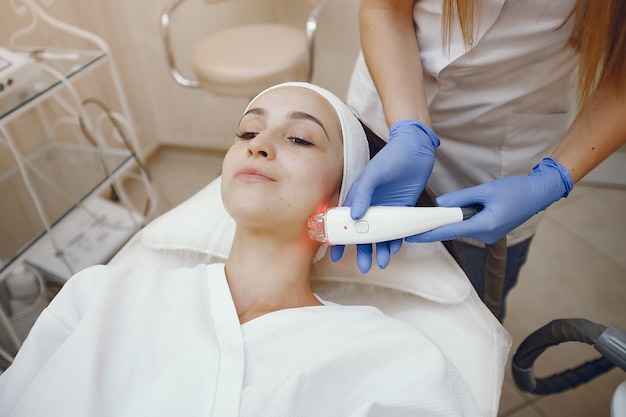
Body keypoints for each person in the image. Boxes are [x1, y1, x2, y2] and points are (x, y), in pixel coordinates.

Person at [0, 82, 482, 417]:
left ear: (344, 200)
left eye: (299, 138)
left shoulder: (395, 358)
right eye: (248, 132)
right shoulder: (101, 293)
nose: (260, 145)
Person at [335, 0, 626, 319]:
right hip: (389, 107)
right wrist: (409, 128)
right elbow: (386, 8)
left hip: (502, 152)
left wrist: (553, 180)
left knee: (470, 314)